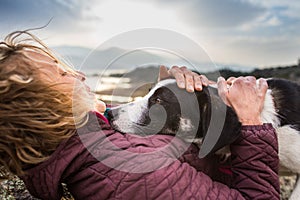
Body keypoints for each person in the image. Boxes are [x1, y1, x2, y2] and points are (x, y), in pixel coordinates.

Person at [0, 30, 279, 200]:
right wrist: (250, 122)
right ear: (46, 109)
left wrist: (178, 97)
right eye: (61, 73)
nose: (79, 74)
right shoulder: (130, 174)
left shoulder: (91, 146)